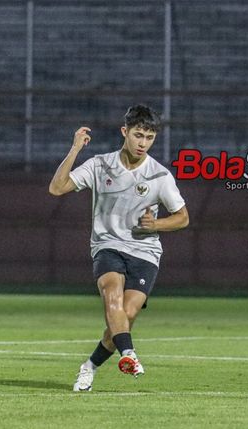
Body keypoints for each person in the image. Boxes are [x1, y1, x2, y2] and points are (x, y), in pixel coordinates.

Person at [49, 104, 189, 392]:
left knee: (126, 316)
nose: (143, 143)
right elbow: (57, 188)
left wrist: (156, 226)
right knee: (112, 295)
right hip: (108, 245)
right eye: (138, 135)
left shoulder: (159, 176)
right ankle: (129, 354)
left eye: (149, 138)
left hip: (145, 252)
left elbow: (183, 217)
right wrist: (75, 149)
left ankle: (89, 366)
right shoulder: (100, 165)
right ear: (124, 132)